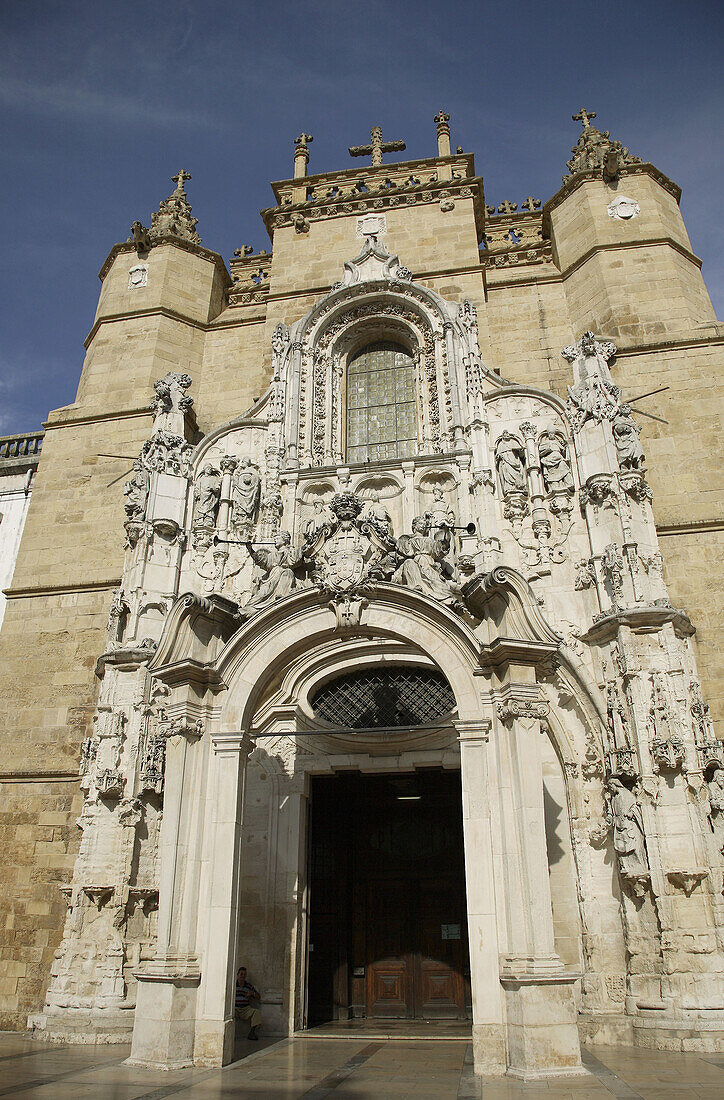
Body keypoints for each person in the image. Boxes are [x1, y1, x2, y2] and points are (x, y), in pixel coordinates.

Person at [234, 966, 262, 1040]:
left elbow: (258, 996)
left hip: (245, 1009)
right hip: (235, 1008)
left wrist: (252, 994)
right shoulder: (233, 985)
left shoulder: (248, 986)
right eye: (241, 974)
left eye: (244, 975)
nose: (243, 976)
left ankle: (252, 1033)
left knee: (256, 1012)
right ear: (237, 975)